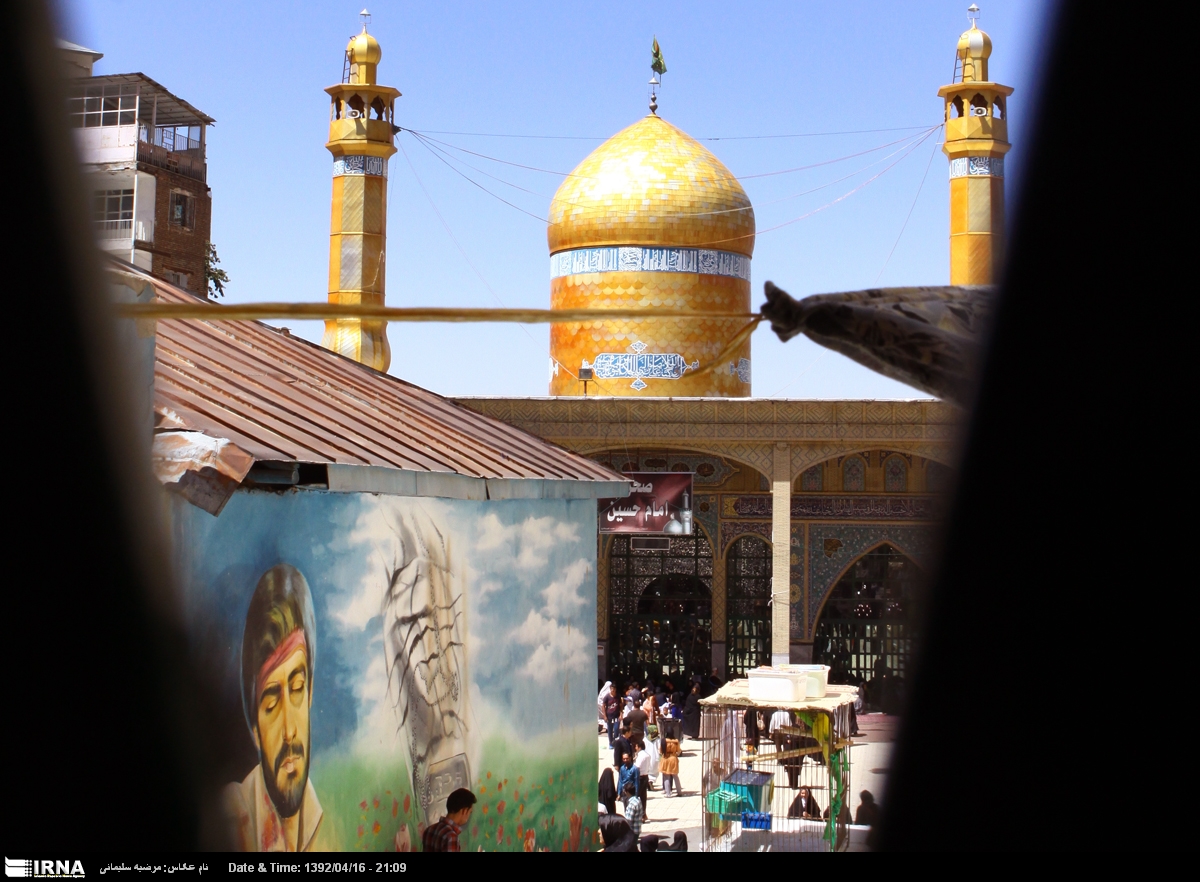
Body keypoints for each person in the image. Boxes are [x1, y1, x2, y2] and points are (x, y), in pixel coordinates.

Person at [223, 565, 333, 852]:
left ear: (310, 695)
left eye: (297, 689)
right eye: (271, 703)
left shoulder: (325, 826)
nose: (289, 731)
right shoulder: (234, 820)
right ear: (254, 728)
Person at [421, 788, 476, 852]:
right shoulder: (451, 836)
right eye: (470, 812)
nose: (469, 816)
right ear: (464, 811)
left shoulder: (429, 830)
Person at [633, 739, 651, 819]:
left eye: (636, 746)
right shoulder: (647, 755)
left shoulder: (641, 755)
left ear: (639, 747)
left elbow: (637, 767)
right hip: (646, 776)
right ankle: (644, 813)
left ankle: (640, 814)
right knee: (643, 796)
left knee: (637, 796)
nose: (635, 748)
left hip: (640, 777)